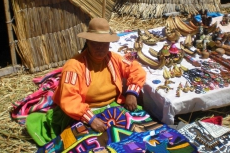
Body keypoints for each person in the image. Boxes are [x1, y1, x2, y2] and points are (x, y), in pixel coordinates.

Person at [26, 17, 146, 146]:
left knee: (140, 130)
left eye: (104, 43)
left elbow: (136, 69)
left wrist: (132, 93)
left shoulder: (114, 58)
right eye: (95, 43)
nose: (100, 48)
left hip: (112, 106)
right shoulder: (74, 66)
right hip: (83, 112)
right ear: (87, 42)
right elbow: (69, 98)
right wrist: (91, 119)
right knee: (91, 144)